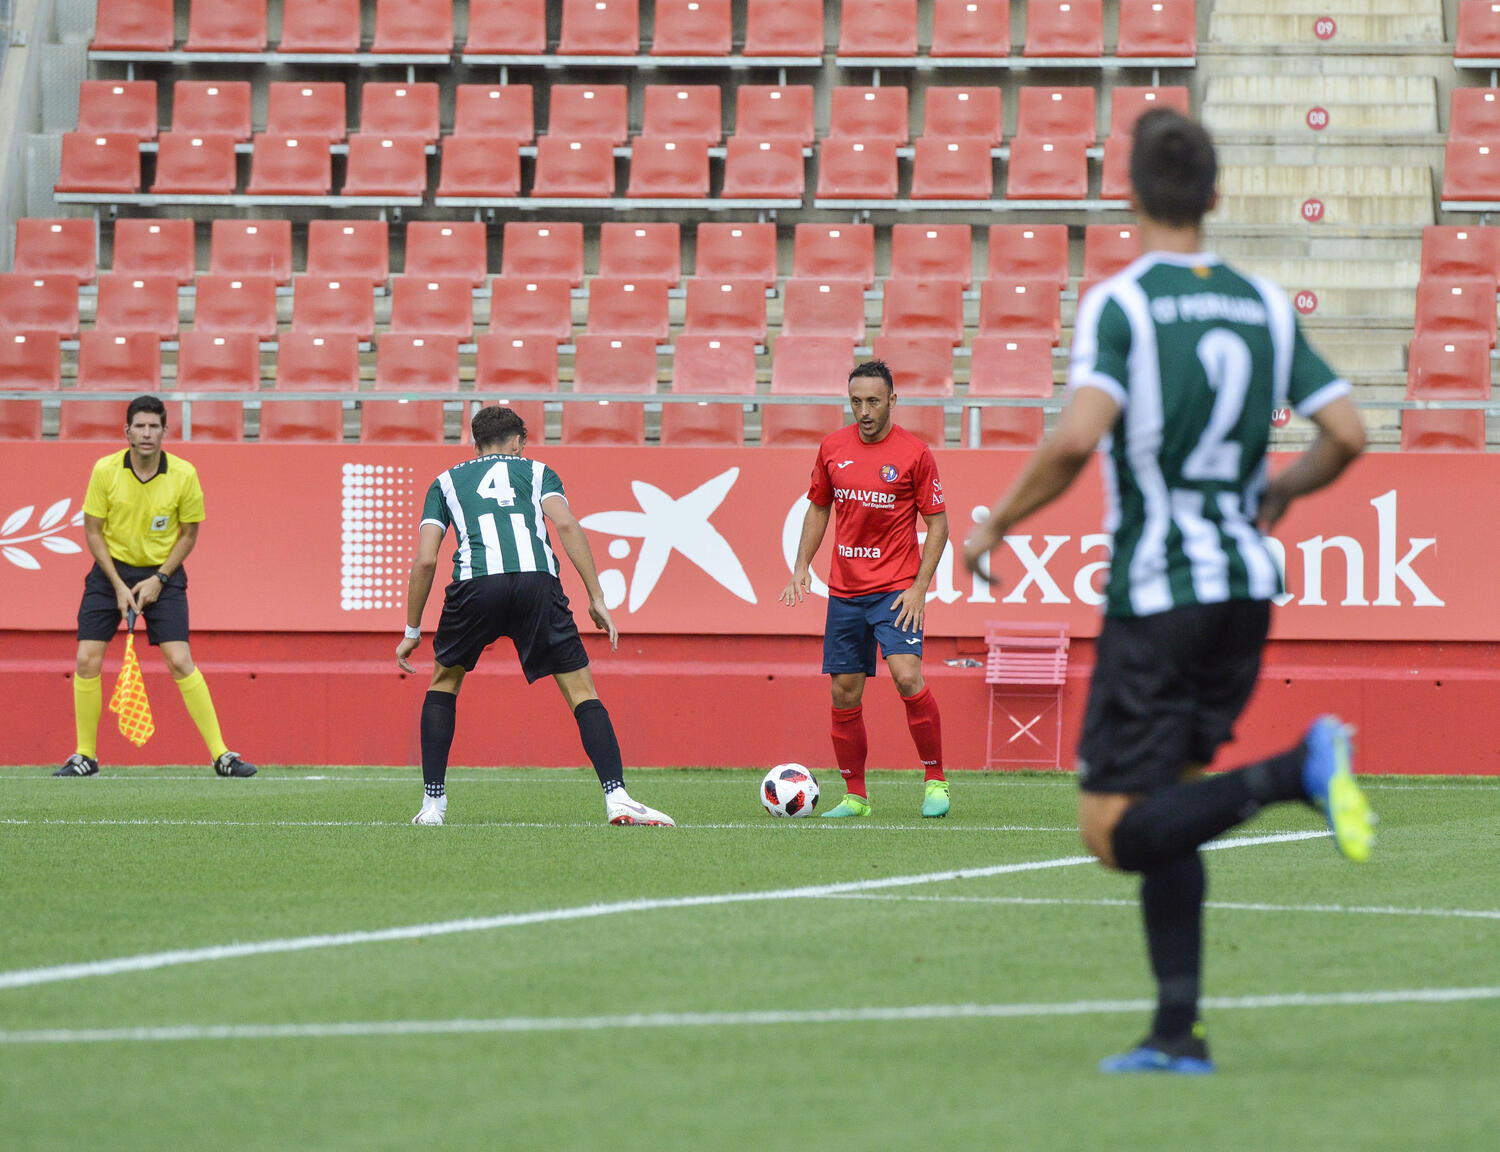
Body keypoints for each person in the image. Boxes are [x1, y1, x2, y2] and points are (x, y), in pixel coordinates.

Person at [962, 108, 1375, 1074]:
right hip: (1246, 590)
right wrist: (1281, 491)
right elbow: (1349, 433)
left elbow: (1076, 437)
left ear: (1131, 194)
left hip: (1160, 592)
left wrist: (993, 524)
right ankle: (1176, 1032)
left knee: (1113, 831)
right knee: (1173, 804)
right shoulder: (1264, 304)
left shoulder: (1124, 304)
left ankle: (1296, 771)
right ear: (1215, 196)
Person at [395, 404, 673, 828]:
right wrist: (596, 596)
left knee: (445, 682)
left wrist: (412, 630)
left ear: (475, 444)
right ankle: (617, 798)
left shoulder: (445, 481)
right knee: (581, 691)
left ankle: (433, 805)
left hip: (475, 585)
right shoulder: (539, 471)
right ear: (516, 441)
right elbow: (567, 525)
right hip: (537, 582)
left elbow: (426, 560)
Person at [780, 360, 952, 818]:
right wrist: (801, 566)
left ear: (892, 400)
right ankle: (855, 796)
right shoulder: (833, 447)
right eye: (856, 402)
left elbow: (938, 525)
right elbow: (819, 508)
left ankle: (935, 782)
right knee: (844, 692)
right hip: (846, 591)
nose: (864, 411)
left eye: (873, 401)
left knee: (906, 676)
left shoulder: (915, 453)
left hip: (896, 590)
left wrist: (919, 588)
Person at [57, 395, 255, 778]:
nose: (146, 433)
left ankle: (222, 755)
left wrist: (160, 579)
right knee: (86, 659)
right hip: (110, 572)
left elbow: (189, 535)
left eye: (153, 426)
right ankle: (85, 756)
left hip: (164, 573)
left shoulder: (184, 474)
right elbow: (93, 532)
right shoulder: (105, 470)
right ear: (127, 431)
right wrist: (117, 584)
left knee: (180, 661)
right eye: (140, 426)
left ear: (165, 430)